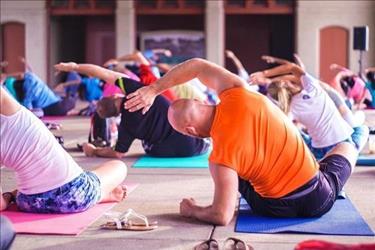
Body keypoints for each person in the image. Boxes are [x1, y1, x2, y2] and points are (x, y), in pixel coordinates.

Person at [123, 58, 366, 225]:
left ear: (189, 130)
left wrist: (192, 210)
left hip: (273, 208)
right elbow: (197, 66)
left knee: (236, 173)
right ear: (200, 103)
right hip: (318, 196)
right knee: (346, 145)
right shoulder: (237, 91)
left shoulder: (219, 159)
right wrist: (153, 90)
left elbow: (221, 216)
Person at [0, 87, 127, 213]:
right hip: (73, 196)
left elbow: (1, 205)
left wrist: (8, 197)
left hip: (29, 203)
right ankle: (100, 194)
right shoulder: (11, 111)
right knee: (119, 166)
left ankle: (98, 193)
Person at [54, 62, 210, 159]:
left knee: (147, 145)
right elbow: (105, 73)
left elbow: (117, 153)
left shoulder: (126, 127)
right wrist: (74, 67)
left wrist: (94, 151)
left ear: (114, 116)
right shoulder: (136, 90)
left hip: (171, 151)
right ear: (115, 96)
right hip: (197, 144)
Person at [252, 56, 367, 160]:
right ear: (288, 84)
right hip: (343, 144)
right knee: (363, 130)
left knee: (296, 134)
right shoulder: (312, 88)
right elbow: (292, 68)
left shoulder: (290, 109)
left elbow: (284, 132)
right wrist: (264, 74)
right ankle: (353, 149)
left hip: (318, 151)